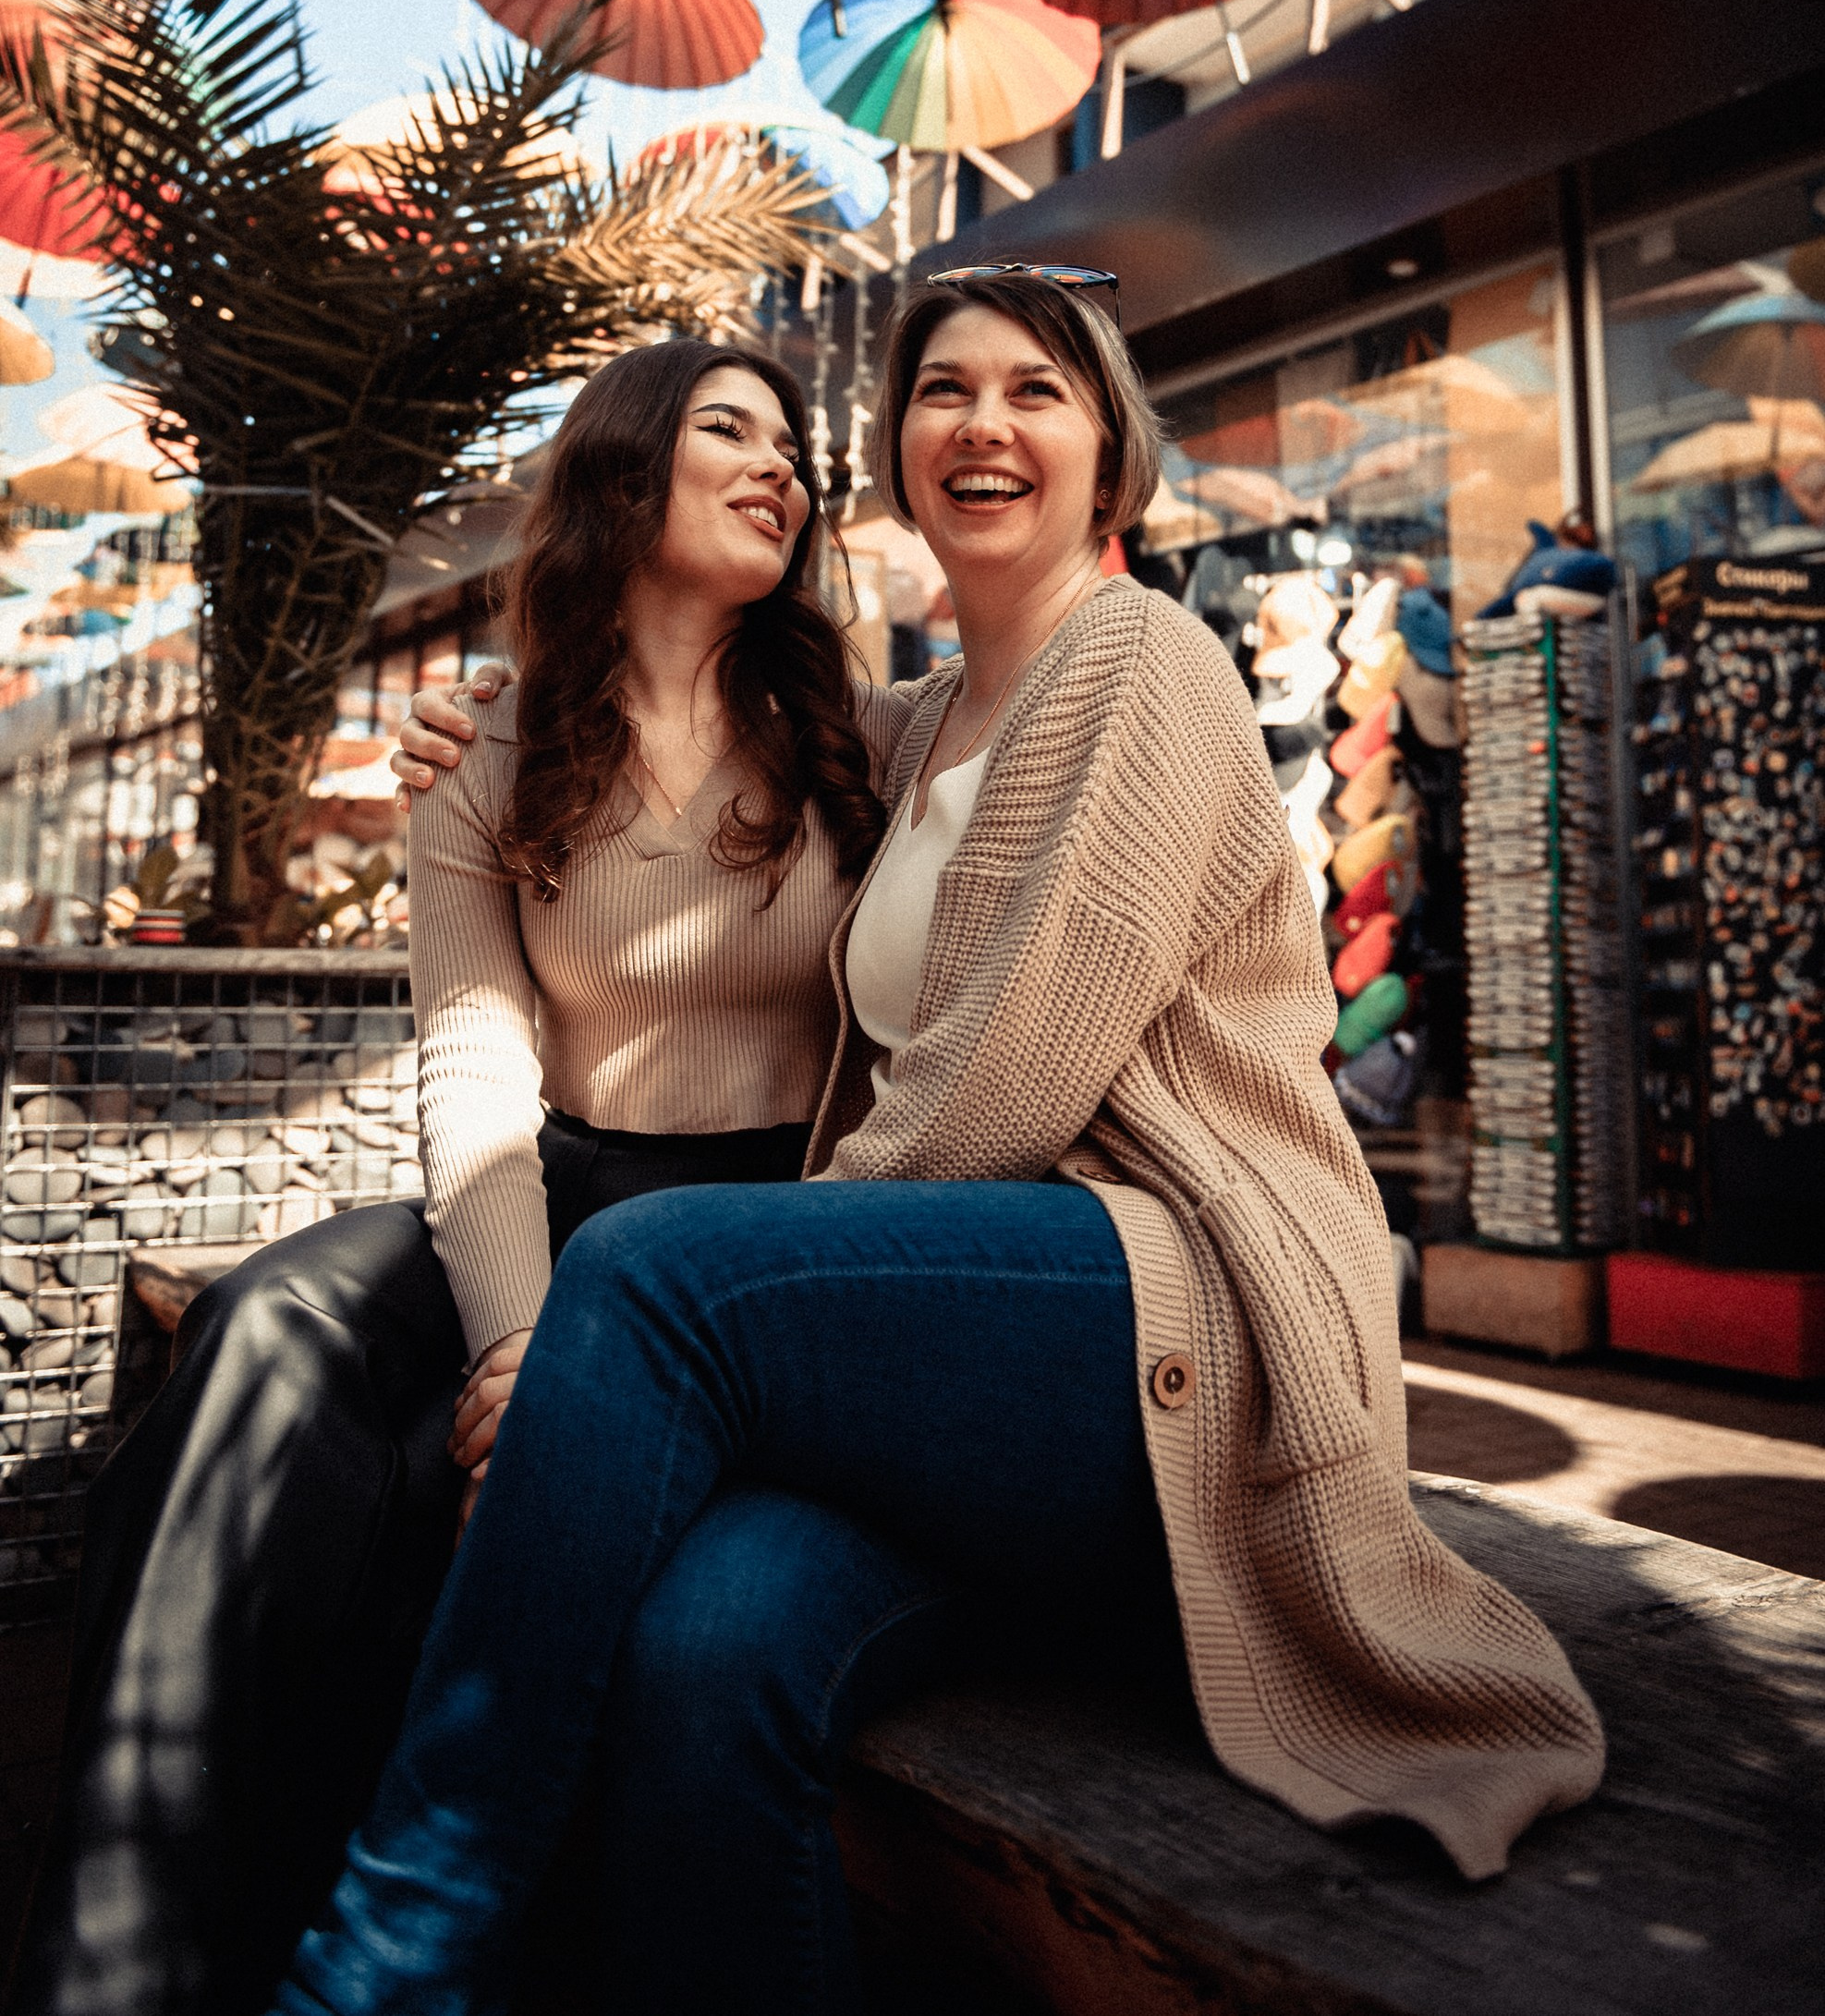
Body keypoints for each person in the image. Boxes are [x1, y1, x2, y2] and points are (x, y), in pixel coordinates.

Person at [268, 270, 1604, 2016]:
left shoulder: (1141, 657)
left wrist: (707, 1327)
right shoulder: (910, 730)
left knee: (650, 1276)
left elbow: (1006, 1076)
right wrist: (488, 720)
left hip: (1176, 1317)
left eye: (1035, 392)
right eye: (942, 392)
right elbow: (708, 750)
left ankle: (382, 1967)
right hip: (982, 1365)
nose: (983, 423)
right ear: (895, 456)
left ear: (1110, 453)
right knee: (706, 1645)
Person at [13, 339, 893, 2016]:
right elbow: (475, 1062)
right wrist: (524, 1338)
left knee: (427, 1482)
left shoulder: (867, 737)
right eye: (732, 430)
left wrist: (574, 1383)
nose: (783, 465)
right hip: (542, 1188)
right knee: (262, 1333)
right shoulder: (485, 753)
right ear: (631, 468)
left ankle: (373, 1939)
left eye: (796, 447)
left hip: (746, 1239)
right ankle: (110, 1974)